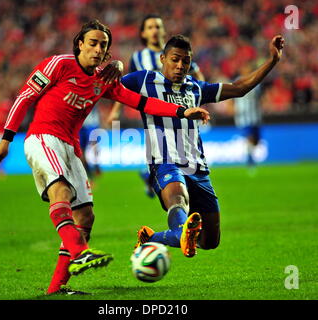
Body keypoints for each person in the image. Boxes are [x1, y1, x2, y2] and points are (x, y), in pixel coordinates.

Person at [0, 20, 210, 295]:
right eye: (92, 43)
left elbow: (139, 102)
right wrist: (6, 139)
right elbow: (25, 97)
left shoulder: (103, 80)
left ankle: (56, 289)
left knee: (85, 217)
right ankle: (80, 252)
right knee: (61, 191)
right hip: (43, 137)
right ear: (80, 43)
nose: (97, 49)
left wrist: (181, 111)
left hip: (71, 147)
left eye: (103, 45)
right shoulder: (58, 64)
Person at [121, 34, 284, 258]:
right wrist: (111, 66)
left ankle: (152, 238)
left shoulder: (196, 88)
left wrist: (273, 61)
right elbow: (108, 85)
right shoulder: (144, 81)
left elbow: (239, 88)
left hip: (198, 169)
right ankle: (179, 232)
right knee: (178, 199)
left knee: (209, 241)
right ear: (163, 59)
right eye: (175, 59)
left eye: (185, 61)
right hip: (164, 162)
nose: (180, 66)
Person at [106, 14, 204, 198]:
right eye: (150, 27)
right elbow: (125, 87)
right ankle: (156, 176)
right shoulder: (138, 57)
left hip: (181, 109)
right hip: (155, 109)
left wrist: (197, 95)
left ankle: (153, 177)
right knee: (159, 147)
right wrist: (115, 110)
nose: (155, 30)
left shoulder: (177, 54)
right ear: (143, 33)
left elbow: (197, 75)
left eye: (158, 26)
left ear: (163, 31)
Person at [233, 64, 262, 171]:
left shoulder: (256, 82)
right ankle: (250, 160)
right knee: (249, 137)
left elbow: (259, 98)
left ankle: (251, 156)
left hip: (255, 116)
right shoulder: (237, 81)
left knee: (256, 141)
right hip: (243, 116)